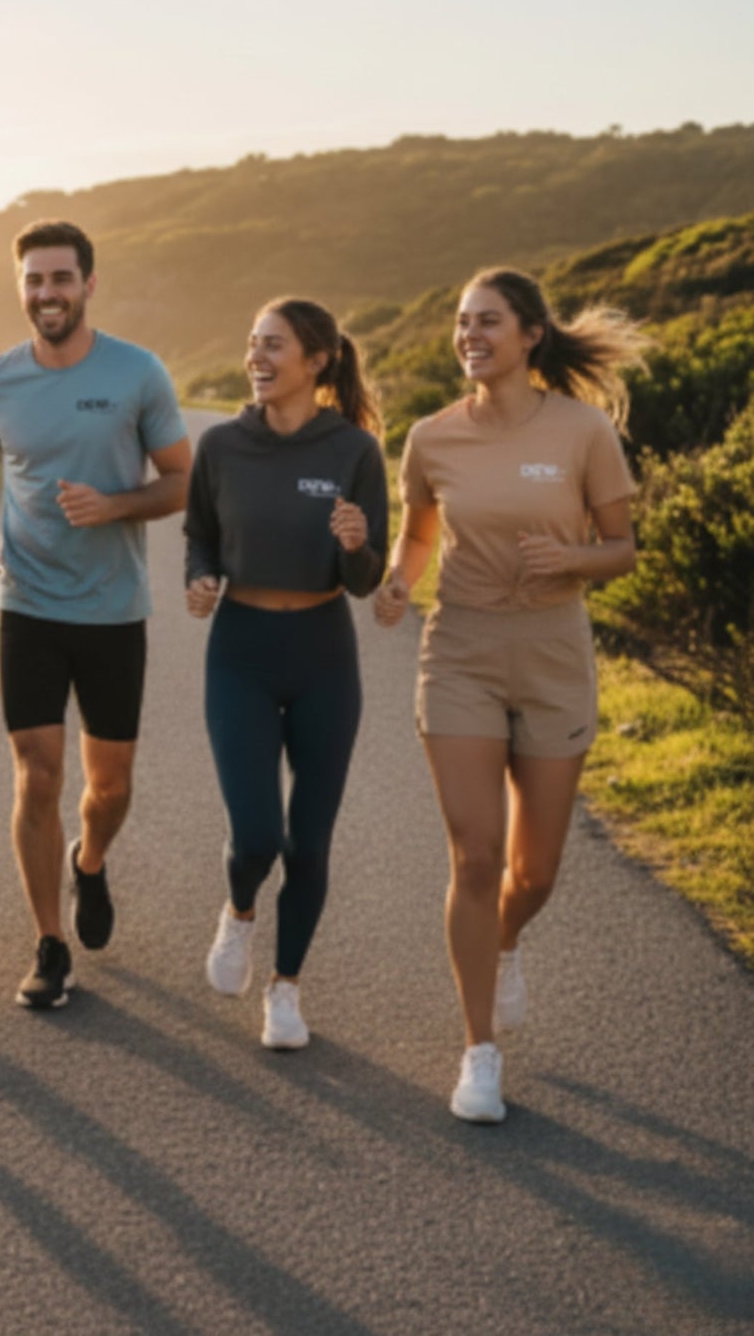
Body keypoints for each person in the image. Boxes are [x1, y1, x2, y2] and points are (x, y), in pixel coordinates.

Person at [375, 267, 642, 1123]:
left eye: (488, 321)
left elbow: (622, 548)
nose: (470, 336)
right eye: (462, 322)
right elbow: (418, 535)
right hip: (461, 652)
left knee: (535, 872)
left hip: (554, 652)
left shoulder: (583, 430)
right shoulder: (432, 438)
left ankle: (506, 940)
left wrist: (571, 559)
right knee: (477, 857)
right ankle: (479, 1051)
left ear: (531, 335)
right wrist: (396, 582)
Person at [0, 220, 191, 1009]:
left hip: (114, 609)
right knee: (37, 774)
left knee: (109, 785)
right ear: (20, 288)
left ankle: (89, 862)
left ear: (88, 284)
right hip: (26, 604)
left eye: (60, 278)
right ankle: (49, 944)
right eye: (34, 279)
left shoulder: (137, 373)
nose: (46, 293)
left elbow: (180, 480)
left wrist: (113, 505)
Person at [185, 298, 387, 1048]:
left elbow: (365, 581)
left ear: (317, 360)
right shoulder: (222, 446)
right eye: (252, 343)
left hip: (323, 654)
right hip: (240, 650)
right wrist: (200, 578)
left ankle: (285, 990)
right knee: (258, 835)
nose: (257, 358)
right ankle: (239, 912)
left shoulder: (354, 451)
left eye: (273, 345)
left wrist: (358, 546)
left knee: (309, 842)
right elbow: (200, 534)